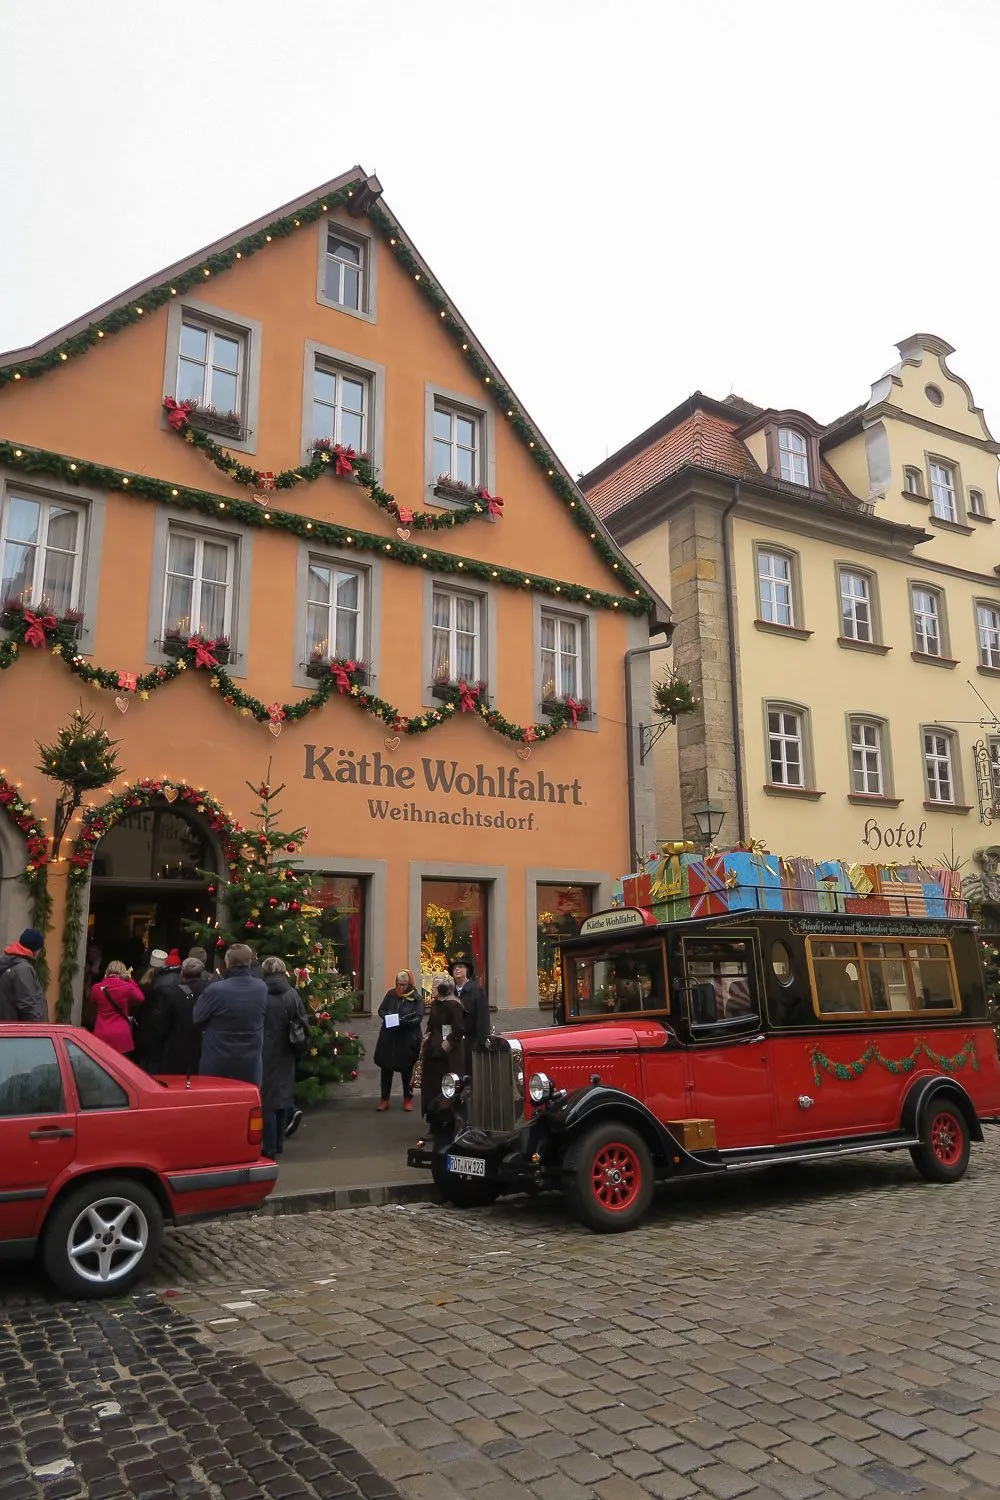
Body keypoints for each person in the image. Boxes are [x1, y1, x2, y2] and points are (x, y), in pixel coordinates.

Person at [193, 943, 268, 1086]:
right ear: (249, 961)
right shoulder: (261, 988)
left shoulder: (215, 990)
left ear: (227, 962)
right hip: (250, 1062)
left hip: (218, 1061)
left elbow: (197, 1017)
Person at [259, 957, 309, 1158]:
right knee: (282, 1096)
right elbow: (303, 1021)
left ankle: (269, 1146)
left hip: (264, 1049)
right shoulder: (292, 994)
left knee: (268, 1101)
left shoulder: (260, 992)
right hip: (286, 1049)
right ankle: (279, 1143)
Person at [374, 969, 424, 1112]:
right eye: (399, 984)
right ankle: (384, 1099)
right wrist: (389, 1017)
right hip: (389, 1038)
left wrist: (404, 1021)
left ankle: (407, 1099)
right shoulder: (391, 994)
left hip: (407, 1039)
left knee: (406, 1070)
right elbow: (381, 1010)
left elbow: (419, 1017)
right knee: (386, 1069)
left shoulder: (416, 998)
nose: (401, 987)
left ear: (410, 983)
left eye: (404, 984)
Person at [420, 974, 466, 1124]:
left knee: (444, 1090)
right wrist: (426, 1038)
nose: (431, 989)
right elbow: (431, 1024)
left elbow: (458, 1031)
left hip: (448, 1058)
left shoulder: (454, 1005)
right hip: (432, 1053)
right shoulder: (435, 1004)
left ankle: (446, 1123)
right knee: (431, 1088)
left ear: (443, 988)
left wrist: (443, 1049)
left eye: (434, 986)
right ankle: (433, 1123)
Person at [156, 956, 211, 1074]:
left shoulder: (171, 993)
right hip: (203, 1049)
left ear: (182, 972)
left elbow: (163, 1026)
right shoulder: (210, 992)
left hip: (177, 1051)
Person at [89, 961, 145, 1058]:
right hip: (121, 1035)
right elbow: (140, 998)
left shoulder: (96, 988)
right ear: (123, 973)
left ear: (107, 971)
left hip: (101, 1033)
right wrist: (130, 980)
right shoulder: (126, 987)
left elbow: (92, 1002)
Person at [0, 928, 47, 1022]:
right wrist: (37, 1031)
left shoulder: (11, 962)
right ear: (35, 950)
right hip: (18, 1032)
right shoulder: (23, 969)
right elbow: (27, 1006)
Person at [449, 955, 489, 1051]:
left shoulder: (476, 990)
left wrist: (481, 1041)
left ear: (467, 970)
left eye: (460, 967)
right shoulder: (450, 992)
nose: (457, 969)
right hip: (454, 1042)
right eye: (454, 968)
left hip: (471, 1042)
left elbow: (482, 1018)